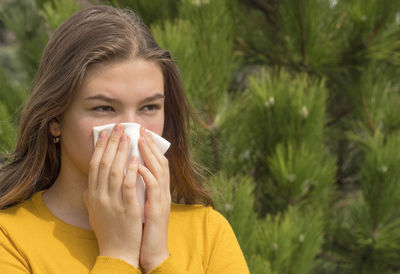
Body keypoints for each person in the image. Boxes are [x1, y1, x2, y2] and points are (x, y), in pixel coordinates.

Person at [0, 5, 249, 274]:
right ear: (55, 120)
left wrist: (158, 259)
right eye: (104, 108)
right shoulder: (9, 239)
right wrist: (118, 255)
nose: (131, 128)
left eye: (149, 107)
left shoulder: (208, 233)